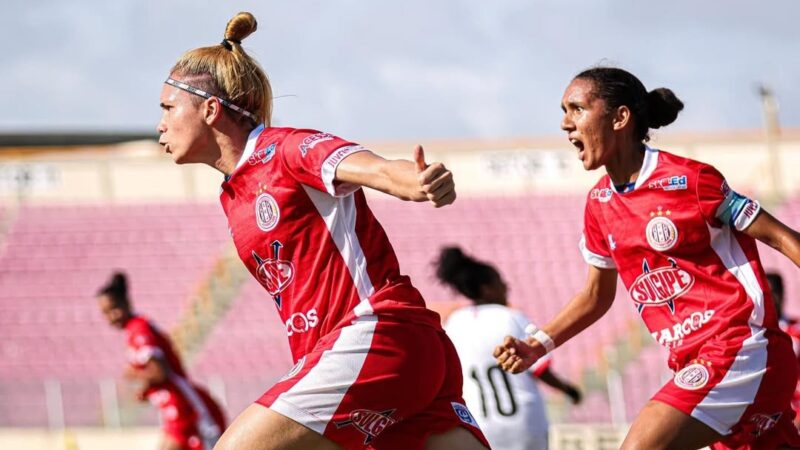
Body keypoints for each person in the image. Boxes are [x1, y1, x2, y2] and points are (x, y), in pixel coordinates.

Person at [156, 11, 489, 450]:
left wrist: (415, 181)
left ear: (211, 110)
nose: (159, 123)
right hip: (404, 356)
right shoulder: (234, 191)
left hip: (377, 336)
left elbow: (375, 168)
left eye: (167, 108)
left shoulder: (286, 148)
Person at [493, 66, 800, 450]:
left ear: (620, 117)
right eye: (563, 110)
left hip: (741, 349)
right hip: (697, 362)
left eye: (576, 108)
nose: (565, 123)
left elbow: (781, 237)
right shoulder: (599, 203)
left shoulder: (690, 180)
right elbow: (595, 296)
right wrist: (538, 343)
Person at [435, 246, 582, 450]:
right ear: (487, 288)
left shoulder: (453, 324)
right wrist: (568, 390)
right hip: (524, 422)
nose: (507, 287)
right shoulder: (513, 317)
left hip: (478, 424)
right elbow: (540, 369)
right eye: (500, 282)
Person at [97, 272, 226, 450]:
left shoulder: (139, 329)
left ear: (127, 302)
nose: (111, 316)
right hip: (175, 409)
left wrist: (134, 374)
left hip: (183, 408)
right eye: (105, 313)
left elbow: (160, 372)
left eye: (114, 308)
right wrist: (146, 389)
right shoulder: (135, 329)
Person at [766, 272, 800, 427]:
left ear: (782, 294)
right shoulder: (751, 334)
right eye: (766, 293)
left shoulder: (796, 330)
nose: (771, 298)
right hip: (768, 417)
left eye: (774, 292)